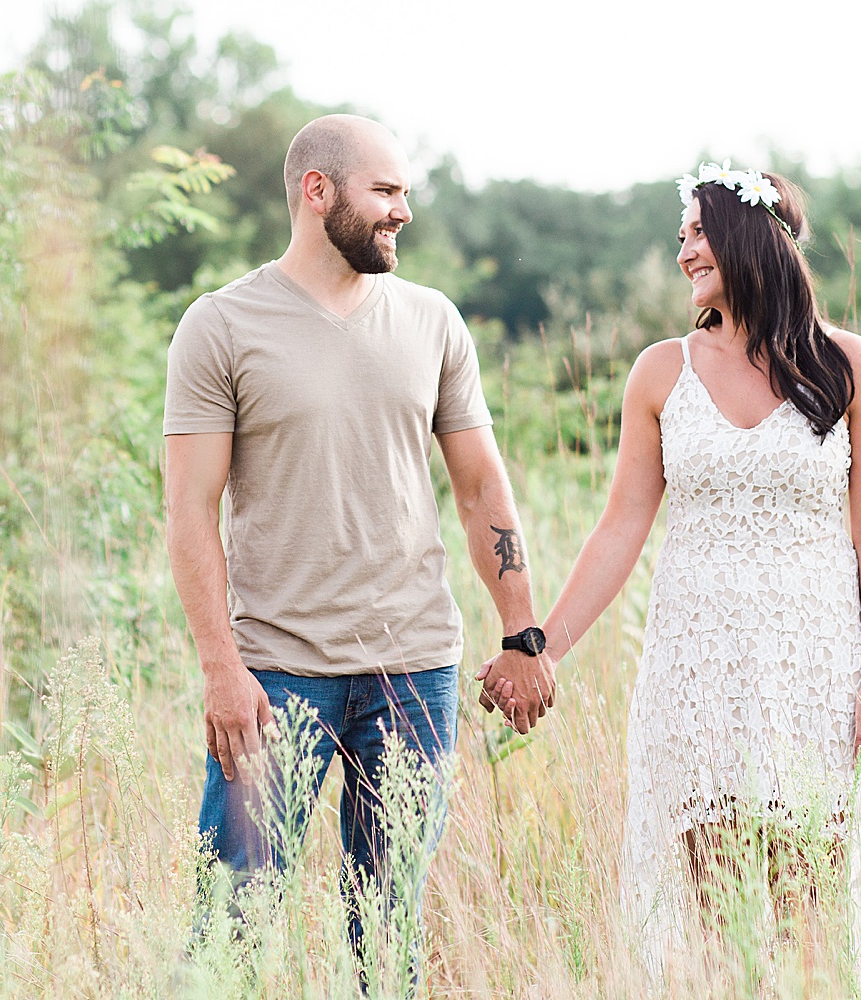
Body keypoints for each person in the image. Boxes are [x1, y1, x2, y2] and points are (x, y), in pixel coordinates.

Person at [163, 114, 556, 972]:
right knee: (232, 927)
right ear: (317, 191)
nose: (403, 212)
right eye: (385, 191)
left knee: (386, 935)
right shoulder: (222, 326)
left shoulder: (433, 321)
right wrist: (222, 670)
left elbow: (481, 484)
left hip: (411, 670)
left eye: (404, 193)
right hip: (274, 675)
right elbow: (189, 510)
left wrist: (523, 633)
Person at [486, 162, 861, 964]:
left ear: (752, 237)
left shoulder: (851, 367)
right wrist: (537, 647)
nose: (683, 254)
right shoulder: (660, 371)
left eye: (698, 233)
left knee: (808, 912)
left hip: (814, 663)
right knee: (718, 917)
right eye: (680, 238)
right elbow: (620, 527)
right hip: (699, 667)